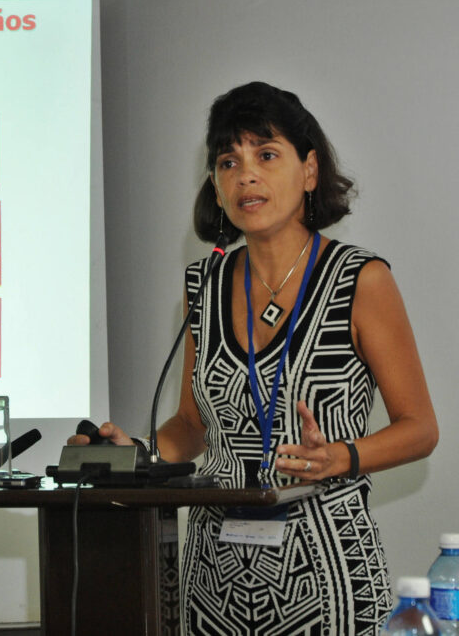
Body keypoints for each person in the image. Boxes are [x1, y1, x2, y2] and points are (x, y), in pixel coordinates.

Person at [69, 82, 438, 634]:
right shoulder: (205, 284)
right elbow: (192, 424)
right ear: (216, 189)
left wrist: (341, 456)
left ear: (309, 171)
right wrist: (139, 454)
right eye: (228, 162)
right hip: (211, 581)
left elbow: (420, 429)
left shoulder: (361, 280)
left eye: (266, 155)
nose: (246, 175)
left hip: (327, 573)